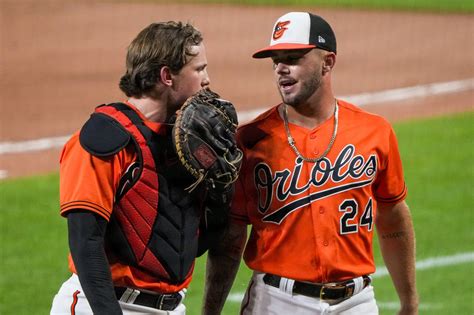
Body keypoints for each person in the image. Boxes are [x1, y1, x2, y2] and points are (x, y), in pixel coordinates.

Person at [203, 12, 418, 315]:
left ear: (328, 62)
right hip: (276, 303)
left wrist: (409, 300)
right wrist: (210, 311)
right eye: (276, 60)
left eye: (293, 58)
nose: (281, 68)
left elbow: (393, 217)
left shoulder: (375, 132)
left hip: (357, 303)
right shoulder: (249, 141)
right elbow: (231, 238)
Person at [50, 21, 213, 314]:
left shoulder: (187, 145)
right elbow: (86, 244)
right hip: (103, 304)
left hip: (172, 306)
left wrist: (221, 195)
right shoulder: (103, 141)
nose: (207, 80)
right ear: (167, 76)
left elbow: (184, 246)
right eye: (199, 69)